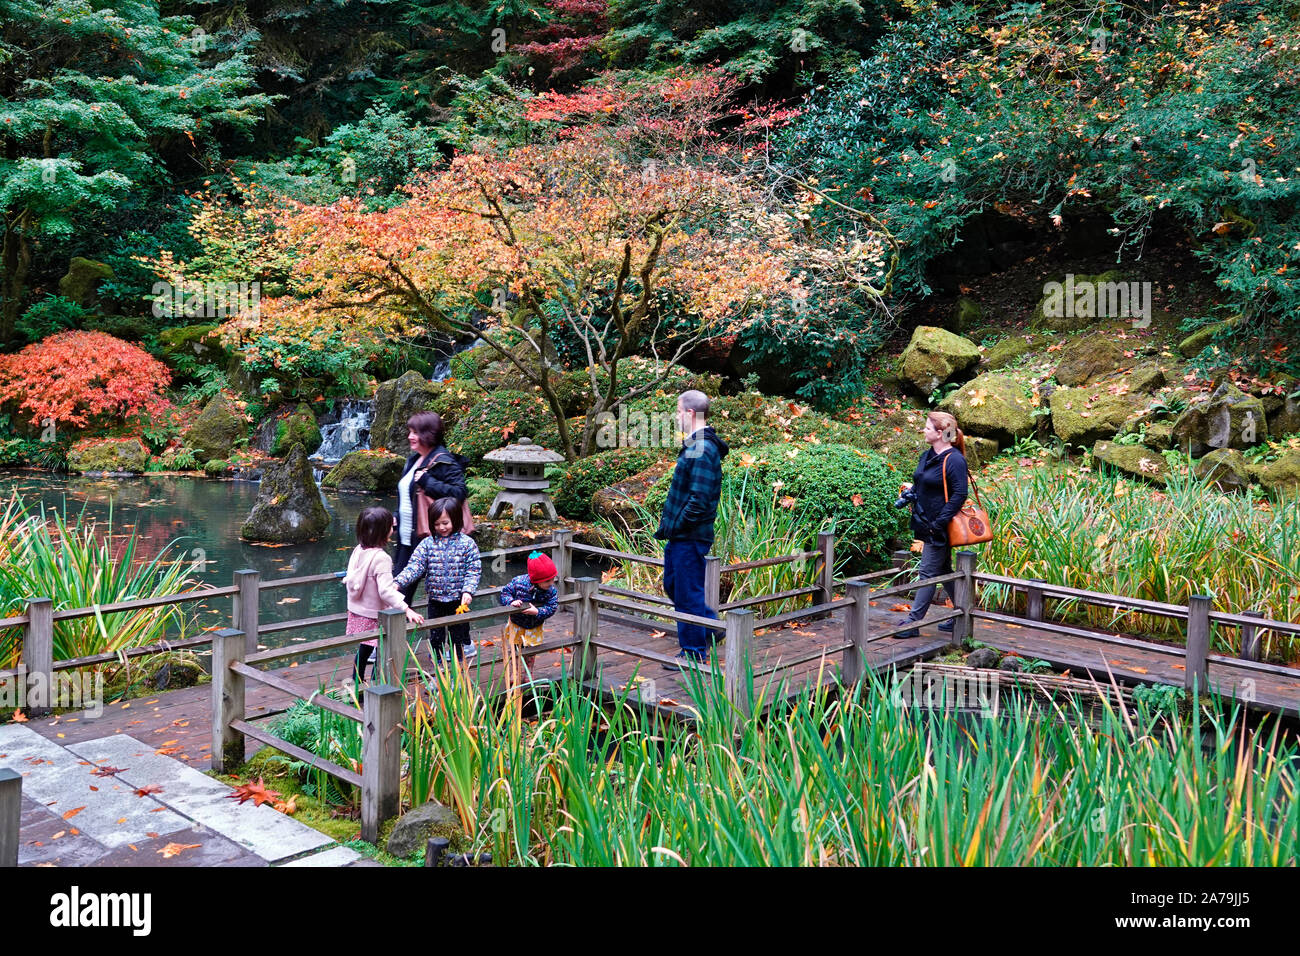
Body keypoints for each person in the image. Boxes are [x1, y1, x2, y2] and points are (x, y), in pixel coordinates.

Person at [654, 389, 729, 663]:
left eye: (677, 411)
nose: (676, 416)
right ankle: (709, 628)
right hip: (681, 535)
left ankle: (694, 654)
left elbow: (699, 500)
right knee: (674, 585)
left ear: (689, 413)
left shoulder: (702, 448)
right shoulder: (695, 445)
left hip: (689, 535)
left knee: (687, 592)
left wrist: (678, 526)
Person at [896, 411, 969, 638]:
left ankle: (913, 623)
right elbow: (921, 482)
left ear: (940, 433)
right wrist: (911, 493)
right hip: (925, 523)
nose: (923, 431)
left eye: (927, 428)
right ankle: (964, 614)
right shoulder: (928, 456)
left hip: (939, 526)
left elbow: (959, 494)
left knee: (927, 573)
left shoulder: (954, 459)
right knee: (944, 569)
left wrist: (939, 523)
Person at [393, 496, 482, 664]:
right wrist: (398, 582)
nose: (441, 527)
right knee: (436, 637)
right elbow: (415, 566)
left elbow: (473, 569)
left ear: (455, 520)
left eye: (445, 523)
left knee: (458, 638)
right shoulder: (428, 543)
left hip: (458, 601)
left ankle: (458, 673)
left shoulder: (467, 543)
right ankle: (438, 670)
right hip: (435, 600)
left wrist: (468, 590)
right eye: (437, 524)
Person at [342, 506, 424, 682]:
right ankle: (375, 682)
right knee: (381, 648)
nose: (393, 530)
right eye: (390, 527)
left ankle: (357, 680)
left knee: (364, 647)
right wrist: (406, 609)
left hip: (357, 610)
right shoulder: (382, 558)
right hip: (374, 613)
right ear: (383, 532)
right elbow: (385, 591)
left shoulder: (358, 550)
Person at [497, 551, 560, 683]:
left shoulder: (551, 591)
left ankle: (528, 673)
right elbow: (505, 593)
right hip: (517, 622)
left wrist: (537, 611)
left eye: (553, 579)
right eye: (547, 580)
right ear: (536, 580)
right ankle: (514, 672)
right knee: (515, 648)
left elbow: (552, 607)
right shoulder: (519, 583)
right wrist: (511, 602)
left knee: (531, 651)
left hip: (534, 625)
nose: (551, 583)